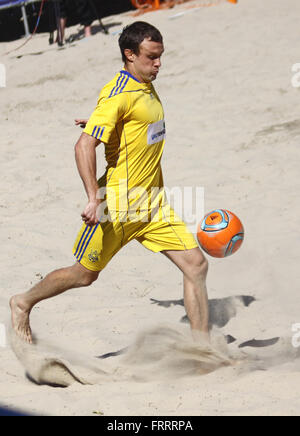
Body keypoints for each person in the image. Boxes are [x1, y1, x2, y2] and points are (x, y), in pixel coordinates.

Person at [10, 22, 210, 345]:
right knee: (85, 274)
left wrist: (108, 126)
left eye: (161, 56)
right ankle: (22, 302)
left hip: (153, 206)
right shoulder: (119, 94)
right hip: (115, 207)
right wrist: (92, 198)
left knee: (196, 265)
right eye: (151, 57)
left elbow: (132, 126)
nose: (158, 64)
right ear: (129, 55)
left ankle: (203, 351)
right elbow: (83, 146)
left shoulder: (143, 83)